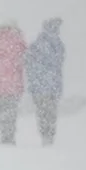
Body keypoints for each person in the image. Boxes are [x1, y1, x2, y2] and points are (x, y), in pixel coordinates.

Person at [0, 21, 27, 145]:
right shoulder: (18, 42)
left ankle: (4, 135)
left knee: (2, 110)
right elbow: (25, 58)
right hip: (14, 84)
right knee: (12, 111)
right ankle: (10, 135)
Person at [26, 17, 66, 145]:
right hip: (52, 86)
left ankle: (45, 135)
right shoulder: (58, 45)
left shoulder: (36, 44)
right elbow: (58, 63)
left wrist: (32, 83)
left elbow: (29, 65)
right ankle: (49, 136)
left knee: (43, 113)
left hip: (40, 86)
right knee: (51, 113)